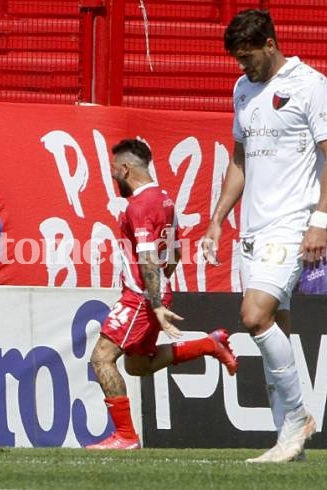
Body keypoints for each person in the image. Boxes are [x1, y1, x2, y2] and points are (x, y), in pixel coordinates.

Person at [202, 9, 327, 463]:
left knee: (253, 316)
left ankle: (299, 417)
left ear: (270, 43)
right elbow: (241, 161)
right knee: (275, 328)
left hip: (293, 222)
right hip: (253, 228)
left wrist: (319, 221)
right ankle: (290, 444)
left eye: (249, 58)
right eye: (238, 61)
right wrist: (216, 219)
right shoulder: (243, 89)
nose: (244, 68)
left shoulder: (311, 85)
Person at [85, 139, 239, 450]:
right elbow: (176, 253)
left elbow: (148, 259)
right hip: (150, 294)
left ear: (126, 169)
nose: (113, 176)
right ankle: (209, 343)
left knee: (101, 359)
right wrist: (161, 291)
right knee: (138, 366)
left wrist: (153, 302)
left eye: (115, 170)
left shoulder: (140, 205)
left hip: (140, 298)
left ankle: (126, 437)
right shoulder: (165, 201)